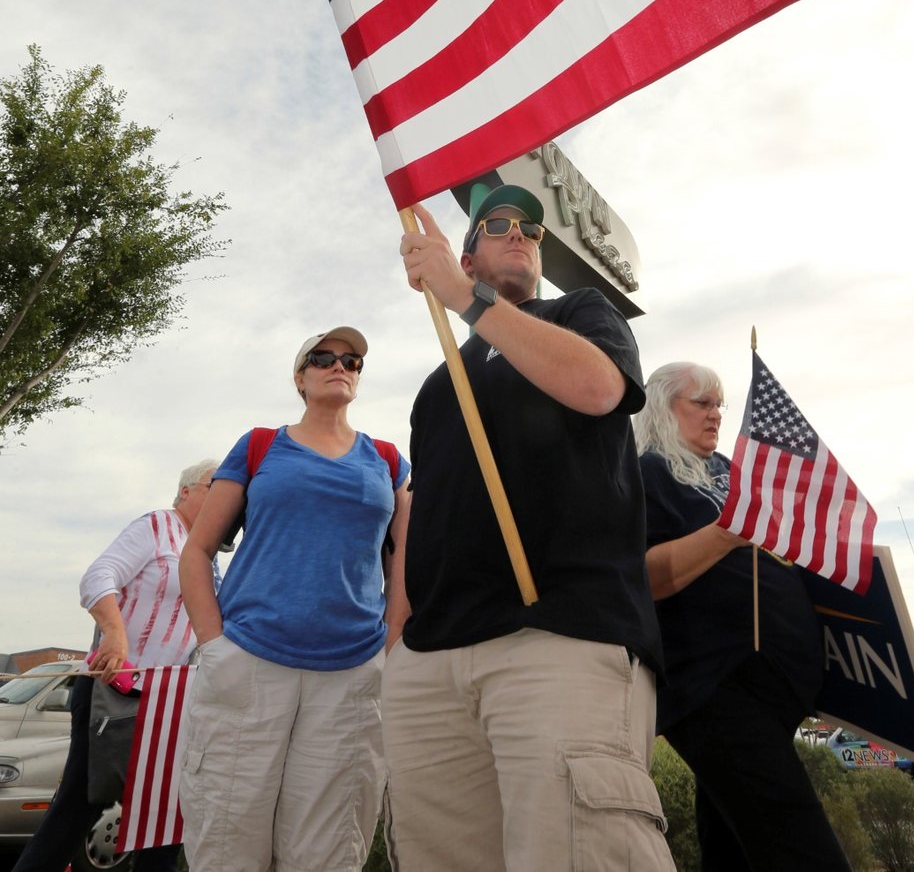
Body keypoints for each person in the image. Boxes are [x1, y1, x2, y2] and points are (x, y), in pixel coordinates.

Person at [384, 187, 675, 872]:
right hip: (434, 657)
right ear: (467, 254)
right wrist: (399, 633)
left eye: (532, 230)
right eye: (499, 226)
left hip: (559, 637)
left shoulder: (580, 313)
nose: (520, 235)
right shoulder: (437, 384)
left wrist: (466, 300)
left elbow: (600, 388)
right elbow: (421, 509)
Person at [178, 326, 410, 872]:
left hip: (351, 675)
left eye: (352, 361)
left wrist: (392, 643)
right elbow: (197, 550)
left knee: (328, 851)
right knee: (228, 839)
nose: (340, 366)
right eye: (324, 358)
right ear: (301, 377)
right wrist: (215, 646)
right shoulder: (260, 445)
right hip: (249, 663)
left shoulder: (388, 459)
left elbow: (405, 561)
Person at [636, 361, 851, 872]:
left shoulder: (731, 472)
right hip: (714, 689)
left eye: (719, 405)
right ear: (665, 408)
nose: (716, 416)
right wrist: (728, 531)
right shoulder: (647, 473)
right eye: (702, 403)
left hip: (771, 689)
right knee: (802, 846)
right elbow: (642, 578)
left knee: (733, 844)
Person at [12, 459, 218, 872]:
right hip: (115, 688)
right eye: (216, 487)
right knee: (84, 800)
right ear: (187, 491)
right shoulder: (157, 526)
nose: (225, 499)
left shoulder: (208, 555)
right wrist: (115, 634)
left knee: (164, 810)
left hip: (169, 699)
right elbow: (98, 576)